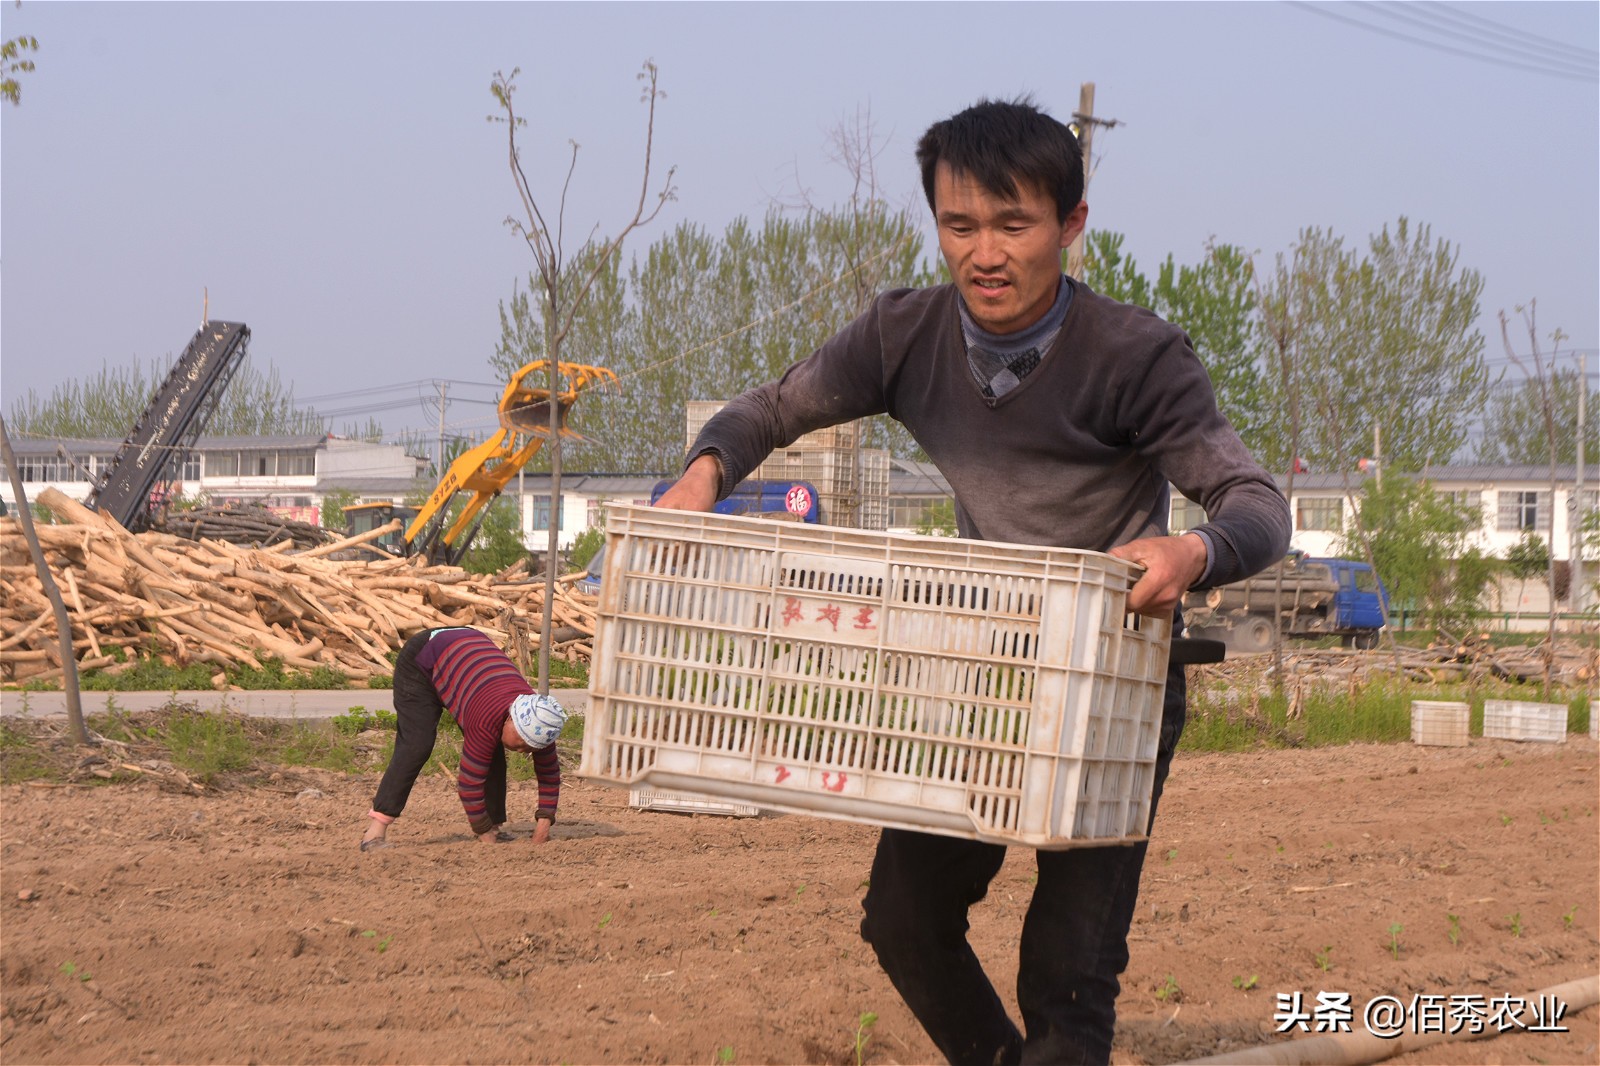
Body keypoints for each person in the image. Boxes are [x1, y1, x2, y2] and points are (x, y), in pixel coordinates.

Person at [653, 98, 1291, 1065]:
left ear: (1071, 226)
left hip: (1107, 683)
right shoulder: (904, 335)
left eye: (1013, 224)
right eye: (960, 225)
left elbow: (1254, 501)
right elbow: (772, 408)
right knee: (904, 920)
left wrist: (1189, 553)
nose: (984, 253)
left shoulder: (1136, 356)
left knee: (1067, 969)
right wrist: (702, 476)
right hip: (983, 673)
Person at [359, 626, 565, 851]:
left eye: (531, 748)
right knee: (417, 744)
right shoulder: (487, 716)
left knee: (490, 746)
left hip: (465, 657)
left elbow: (549, 776)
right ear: (510, 719)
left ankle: (494, 825)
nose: (524, 751)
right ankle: (375, 832)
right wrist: (485, 837)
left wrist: (542, 830)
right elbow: (468, 785)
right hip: (425, 657)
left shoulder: (541, 721)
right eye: (523, 743)